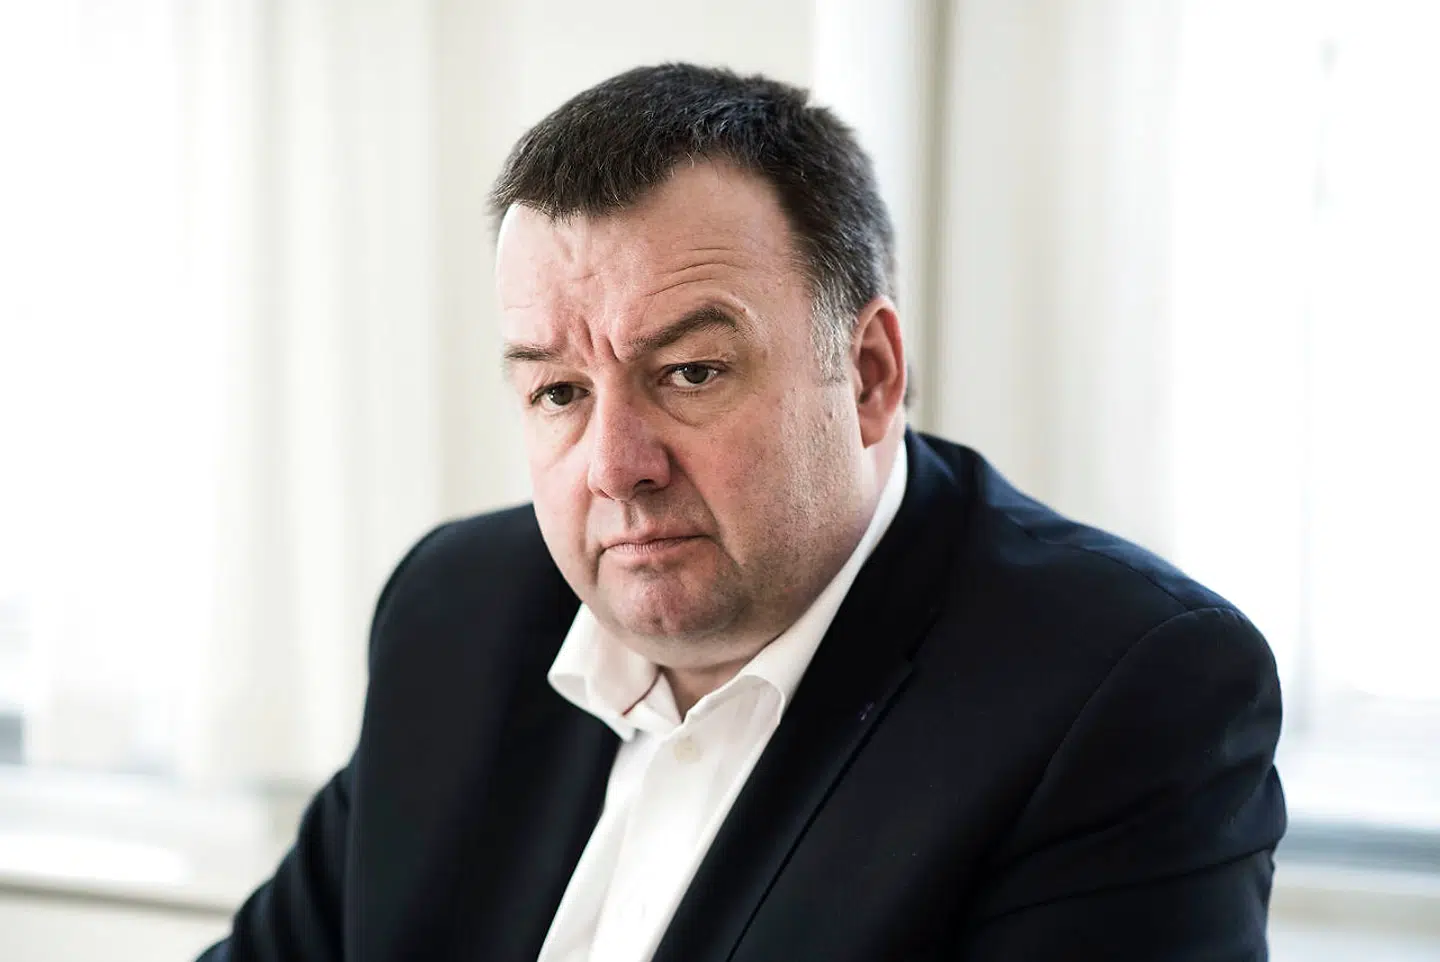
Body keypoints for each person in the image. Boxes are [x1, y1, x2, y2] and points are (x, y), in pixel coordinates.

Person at [200, 64, 1286, 962]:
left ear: (868, 375)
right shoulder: (456, 610)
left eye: (692, 372)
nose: (616, 468)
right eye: (560, 392)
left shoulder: (1124, 689)